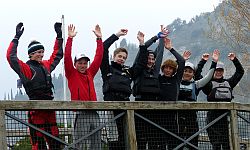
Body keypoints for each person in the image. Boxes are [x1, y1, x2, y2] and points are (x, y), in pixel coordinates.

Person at [6, 22, 63, 150]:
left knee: (56, 143)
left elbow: (57, 54)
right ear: (30, 54)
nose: (41, 55)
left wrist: (59, 36)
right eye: (38, 52)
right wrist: (16, 38)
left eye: (42, 52)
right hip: (35, 111)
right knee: (38, 145)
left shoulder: (46, 66)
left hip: (49, 109)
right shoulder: (27, 68)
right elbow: (11, 57)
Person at [100, 29, 148, 150]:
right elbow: (103, 48)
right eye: (119, 56)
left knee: (126, 136)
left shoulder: (128, 71)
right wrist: (116, 35)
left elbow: (141, 65)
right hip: (110, 106)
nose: (121, 59)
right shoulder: (107, 68)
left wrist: (142, 44)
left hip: (126, 107)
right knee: (113, 138)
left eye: (124, 57)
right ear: (114, 56)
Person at [64, 24, 103, 150]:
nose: (83, 65)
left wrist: (99, 39)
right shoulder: (71, 73)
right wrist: (70, 39)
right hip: (80, 113)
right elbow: (67, 58)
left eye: (85, 63)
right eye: (80, 63)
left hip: (94, 112)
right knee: (79, 144)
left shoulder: (90, 72)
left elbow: (98, 57)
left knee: (97, 144)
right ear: (75, 64)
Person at [132, 26, 168, 149]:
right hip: (140, 107)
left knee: (154, 140)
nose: (151, 61)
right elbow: (141, 52)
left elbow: (161, 52)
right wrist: (154, 38)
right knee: (141, 141)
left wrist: (162, 38)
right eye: (149, 58)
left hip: (154, 108)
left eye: (153, 59)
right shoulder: (138, 69)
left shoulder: (156, 70)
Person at [177, 49, 220, 149]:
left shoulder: (196, 84)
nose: (187, 73)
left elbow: (208, 77)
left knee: (193, 144)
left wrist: (214, 62)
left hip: (191, 119)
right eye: (185, 71)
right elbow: (175, 70)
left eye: (190, 71)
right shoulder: (176, 82)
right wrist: (182, 60)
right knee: (177, 144)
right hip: (177, 119)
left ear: (193, 74)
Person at [203, 52, 244, 150]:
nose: (218, 72)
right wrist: (207, 61)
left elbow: (240, 72)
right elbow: (197, 76)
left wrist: (235, 60)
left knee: (227, 144)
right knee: (216, 144)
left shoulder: (229, 83)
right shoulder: (208, 84)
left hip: (227, 119)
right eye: (216, 70)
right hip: (212, 119)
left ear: (223, 72)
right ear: (213, 71)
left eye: (220, 70)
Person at [158, 37, 185, 149]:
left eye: (171, 68)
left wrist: (170, 49)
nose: (168, 70)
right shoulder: (158, 78)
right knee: (160, 143)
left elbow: (182, 61)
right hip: (159, 115)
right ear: (163, 68)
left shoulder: (176, 79)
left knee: (174, 143)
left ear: (174, 70)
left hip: (173, 115)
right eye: (166, 68)